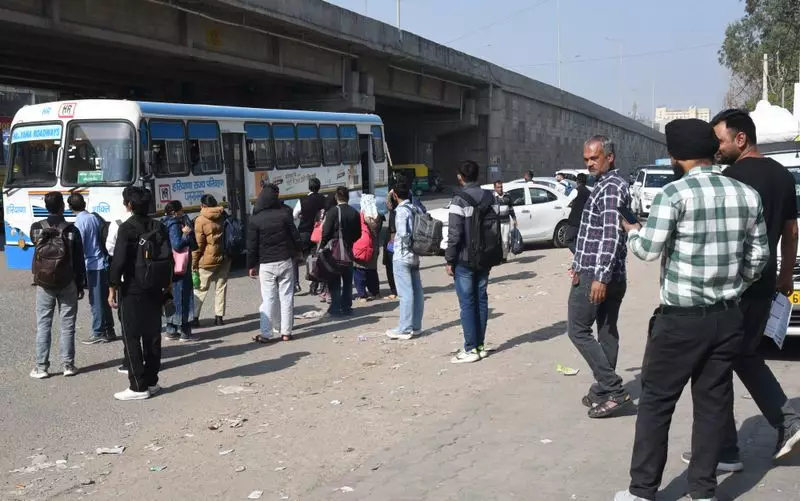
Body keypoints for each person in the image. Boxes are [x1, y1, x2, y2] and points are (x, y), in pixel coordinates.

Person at [615, 119, 769, 501]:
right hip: (728, 316)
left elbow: (648, 251)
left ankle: (642, 491)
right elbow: (759, 256)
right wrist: (734, 284)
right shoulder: (746, 194)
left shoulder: (673, 195)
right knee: (712, 404)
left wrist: (632, 230)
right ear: (711, 151)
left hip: (681, 322)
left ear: (674, 156)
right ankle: (702, 490)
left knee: (657, 403)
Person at [679, 108, 800, 468]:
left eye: (720, 140)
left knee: (718, 363)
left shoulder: (731, 178)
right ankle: (733, 446)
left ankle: (740, 443)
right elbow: (791, 231)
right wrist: (785, 275)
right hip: (764, 284)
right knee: (738, 356)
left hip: (734, 287)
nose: (716, 149)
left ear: (741, 138)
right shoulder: (782, 175)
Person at [568, 135, 632, 418]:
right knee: (606, 330)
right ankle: (603, 390)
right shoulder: (609, 185)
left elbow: (610, 235)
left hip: (599, 273)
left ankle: (614, 389)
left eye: (594, 158)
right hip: (603, 271)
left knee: (578, 330)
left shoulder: (610, 188)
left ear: (609, 157)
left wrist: (599, 277)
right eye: (586, 159)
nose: (590, 163)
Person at [108, 187, 171, 401]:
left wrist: (112, 287)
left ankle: (137, 386)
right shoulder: (159, 226)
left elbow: (118, 261)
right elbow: (168, 259)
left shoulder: (127, 228)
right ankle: (152, 382)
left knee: (131, 336)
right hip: (155, 287)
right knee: (153, 336)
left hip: (133, 288)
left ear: (130, 205)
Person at [29, 192, 87, 379]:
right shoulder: (72, 230)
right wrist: (80, 284)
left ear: (46, 207)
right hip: (67, 280)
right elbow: (78, 261)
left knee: (43, 324)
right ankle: (68, 365)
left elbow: (36, 248)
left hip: (44, 282)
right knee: (67, 324)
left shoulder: (36, 228)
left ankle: (41, 367)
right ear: (63, 206)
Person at [446, 160, 498, 363]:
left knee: (467, 303)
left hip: (465, 259)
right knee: (481, 299)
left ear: (461, 177)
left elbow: (454, 234)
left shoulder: (459, 200)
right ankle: (480, 346)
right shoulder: (490, 196)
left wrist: (449, 259)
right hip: (486, 256)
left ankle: (469, 349)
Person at [248, 183, 302, 343]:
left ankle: (266, 333)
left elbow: (251, 246)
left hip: (266, 264)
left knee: (269, 299)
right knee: (286, 297)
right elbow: (295, 236)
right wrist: (299, 252)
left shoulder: (255, 220)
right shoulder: (284, 214)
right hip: (285, 260)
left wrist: (251, 265)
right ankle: (286, 332)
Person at [68, 193, 116, 344]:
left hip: (92, 264)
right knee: (103, 298)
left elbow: (79, 246)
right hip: (103, 262)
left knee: (95, 300)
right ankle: (109, 330)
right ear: (84, 204)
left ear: (70, 207)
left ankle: (98, 331)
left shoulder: (79, 222)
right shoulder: (94, 217)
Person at [386, 183, 424, 339]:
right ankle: (415, 326)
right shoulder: (415, 208)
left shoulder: (401, 211)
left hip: (402, 256)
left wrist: (406, 245)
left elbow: (402, 233)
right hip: (415, 256)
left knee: (405, 294)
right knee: (417, 292)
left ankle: (404, 328)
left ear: (395, 195)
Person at [320, 186, 361, 317]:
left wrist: (322, 245)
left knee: (335, 279)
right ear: (348, 197)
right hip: (348, 250)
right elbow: (358, 234)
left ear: (336, 197)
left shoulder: (332, 212)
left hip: (335, 251)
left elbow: (326, 233)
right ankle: (347, 307)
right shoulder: (354, 212)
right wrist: (348, 241)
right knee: (348, 280)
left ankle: (335, 309)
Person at [105, 186, 134, 375]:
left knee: (127, 322)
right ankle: (149, 358)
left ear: (127, 204)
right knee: (148, 321)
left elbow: (110, 250)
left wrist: (112, 290)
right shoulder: (155, 224)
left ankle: (129, 360)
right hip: (149, 279)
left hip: (126, 279)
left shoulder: (117, 223)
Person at [192, 194, 230, 327]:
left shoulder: (200, 220)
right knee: (221, 287)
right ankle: (219, 317)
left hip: (207, 260)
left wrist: (194, 263)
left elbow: (198, 245)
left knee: (200, 289)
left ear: (203, 205)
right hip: (224, 257)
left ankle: (195, 318)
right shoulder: (223, 214)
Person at [163, 201, 198, 342]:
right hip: (180, 268)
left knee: (172, 297)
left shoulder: (164, 223)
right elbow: (177, 245)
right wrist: (186, 235)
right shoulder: (175, 225)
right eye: (181, 210)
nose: (183, 212)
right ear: (176, 212)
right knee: (183, 297)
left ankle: (171, 330)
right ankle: (185, 332)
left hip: (171, 267)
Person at [293, 178, 327, 295]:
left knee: (302, 258)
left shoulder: (303, 200)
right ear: (319, 187)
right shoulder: (324, 199)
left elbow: (294, 215)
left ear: (309, 187)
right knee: (318, 257)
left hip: (305, 233)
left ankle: (296, 283)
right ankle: (317, 283)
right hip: (319, 233)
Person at [353, 208, 385, 302]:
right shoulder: (378, 217)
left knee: (358, 272)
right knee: (372, 272)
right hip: (373, 248)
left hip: (360, 249)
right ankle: (375, 293)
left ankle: (362, 295)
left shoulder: (361, 216)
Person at [566, 173, 591, 254]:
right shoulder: (589, 192)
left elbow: (566, 202)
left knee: (568, 239)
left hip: (574, 219)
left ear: (577, 181)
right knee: (578, 241)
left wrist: (572, 204)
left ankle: (579, 256)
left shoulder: (576, 191)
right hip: (584, 220)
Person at [493, 180, 517, 261]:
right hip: (497, 223)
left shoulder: (507, 196)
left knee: (506, 240)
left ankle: (504, 257)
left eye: (501, 187)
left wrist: (514, 219)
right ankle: (498, 257)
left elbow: (511, 209)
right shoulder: (492, 197)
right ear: (495, 188)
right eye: (498, 187)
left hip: (506, 222)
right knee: (498, 241)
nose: (500, 189)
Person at [383, 190, 399, 300]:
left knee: (390, 266)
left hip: (393, 242)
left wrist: (390, 193)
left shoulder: (394, 211)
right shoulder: (408, 208)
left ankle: (394, 291)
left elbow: (387, 202)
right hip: (402, 243)